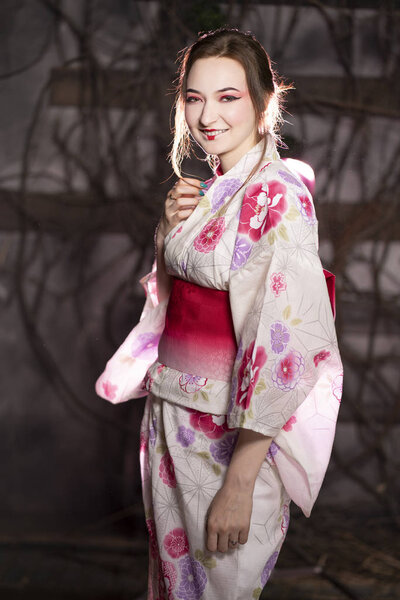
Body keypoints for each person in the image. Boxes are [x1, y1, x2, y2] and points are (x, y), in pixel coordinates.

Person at [96, 27, 343, 600]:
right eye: (194, 96)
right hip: (171, 418)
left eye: (228, 96)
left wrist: (240, 479)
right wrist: (170, 229)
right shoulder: (210, 190)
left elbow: (285, 341)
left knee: (220, 589)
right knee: (174, 585)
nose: (208, 114)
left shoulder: (277, 194)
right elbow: (173, 299)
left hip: (229, 433)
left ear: (263, 102)